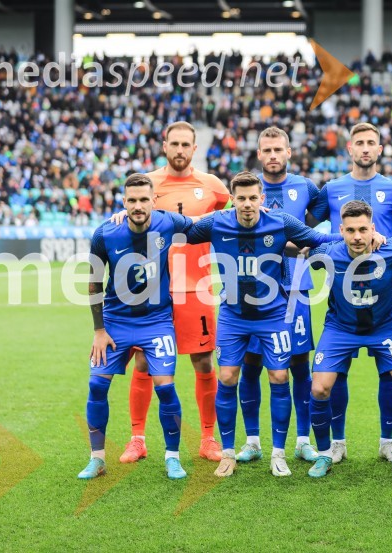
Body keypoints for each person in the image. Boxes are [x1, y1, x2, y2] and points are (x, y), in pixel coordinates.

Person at [182, 171, 346, 478]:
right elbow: (180, 229)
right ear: (233, 200)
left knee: (280, 376)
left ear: (262, 199)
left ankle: (278, 454)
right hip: (233, 316)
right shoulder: (216, 223)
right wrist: (134, 215)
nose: (247, 204)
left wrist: (361, 237)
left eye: (252, 198)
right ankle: (228, 453)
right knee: (227, 376)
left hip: (273, 316)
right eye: (241, 198)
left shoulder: (280, 222)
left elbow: (318, 239)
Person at [119, 121, 230, 465]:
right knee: (143, 361)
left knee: (204, 362)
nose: (180, 150)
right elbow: (131, 216)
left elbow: (235, 213)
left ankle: (208, 438)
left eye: (186, 145)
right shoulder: (148, 184)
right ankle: (137, 439)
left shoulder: (212, 186)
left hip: (197, 288)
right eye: (174, 144)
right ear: (164, 145)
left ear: (194, 149)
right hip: (154, 290)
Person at [79, 173, 202, 480]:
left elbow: (201, 223)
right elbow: (94, 283)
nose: (138, 206)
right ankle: (97, 459)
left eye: (143, 199)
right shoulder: (105, 233)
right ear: (123, 202)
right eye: (132, 200)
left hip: (156, 321)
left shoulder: (167, 222)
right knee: (97, 385)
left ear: (153, 201)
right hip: (115, 322)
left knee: (166, 387)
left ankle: (172, 458)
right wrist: (98, 330)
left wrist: (238, 211)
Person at [310, 122, 392, 464]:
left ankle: (389, 442)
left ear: (380, 149)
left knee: (391, 374)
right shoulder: (331, 189)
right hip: (343, 292)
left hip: (383, 288)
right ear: (350, 148)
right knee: (334, 376)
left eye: (372, 142)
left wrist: (388, 242)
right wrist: (337, 240)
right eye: (360, 143)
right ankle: (336, 444)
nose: (366, 148)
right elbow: (307, 230)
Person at [305, 200, 392, 479]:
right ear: (341, 231)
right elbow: (303, 244)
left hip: (385, 328)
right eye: (350, 230)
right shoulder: (328, 253)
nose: (357, 237)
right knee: (319, 389)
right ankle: (326, 452)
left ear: (373, 229)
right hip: (340, 329)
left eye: (363, 230)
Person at [235, 127, 321, 465]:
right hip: (255, 292)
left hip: (295, 287)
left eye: (278, 150)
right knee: (251, 365)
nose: (273, 155)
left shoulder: (306, 187)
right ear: (259, 154)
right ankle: (253, 440)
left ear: (289, 152)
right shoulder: (247, 190)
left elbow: (312, 230)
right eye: (267, 150)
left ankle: (302, 440)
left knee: (299, 365)